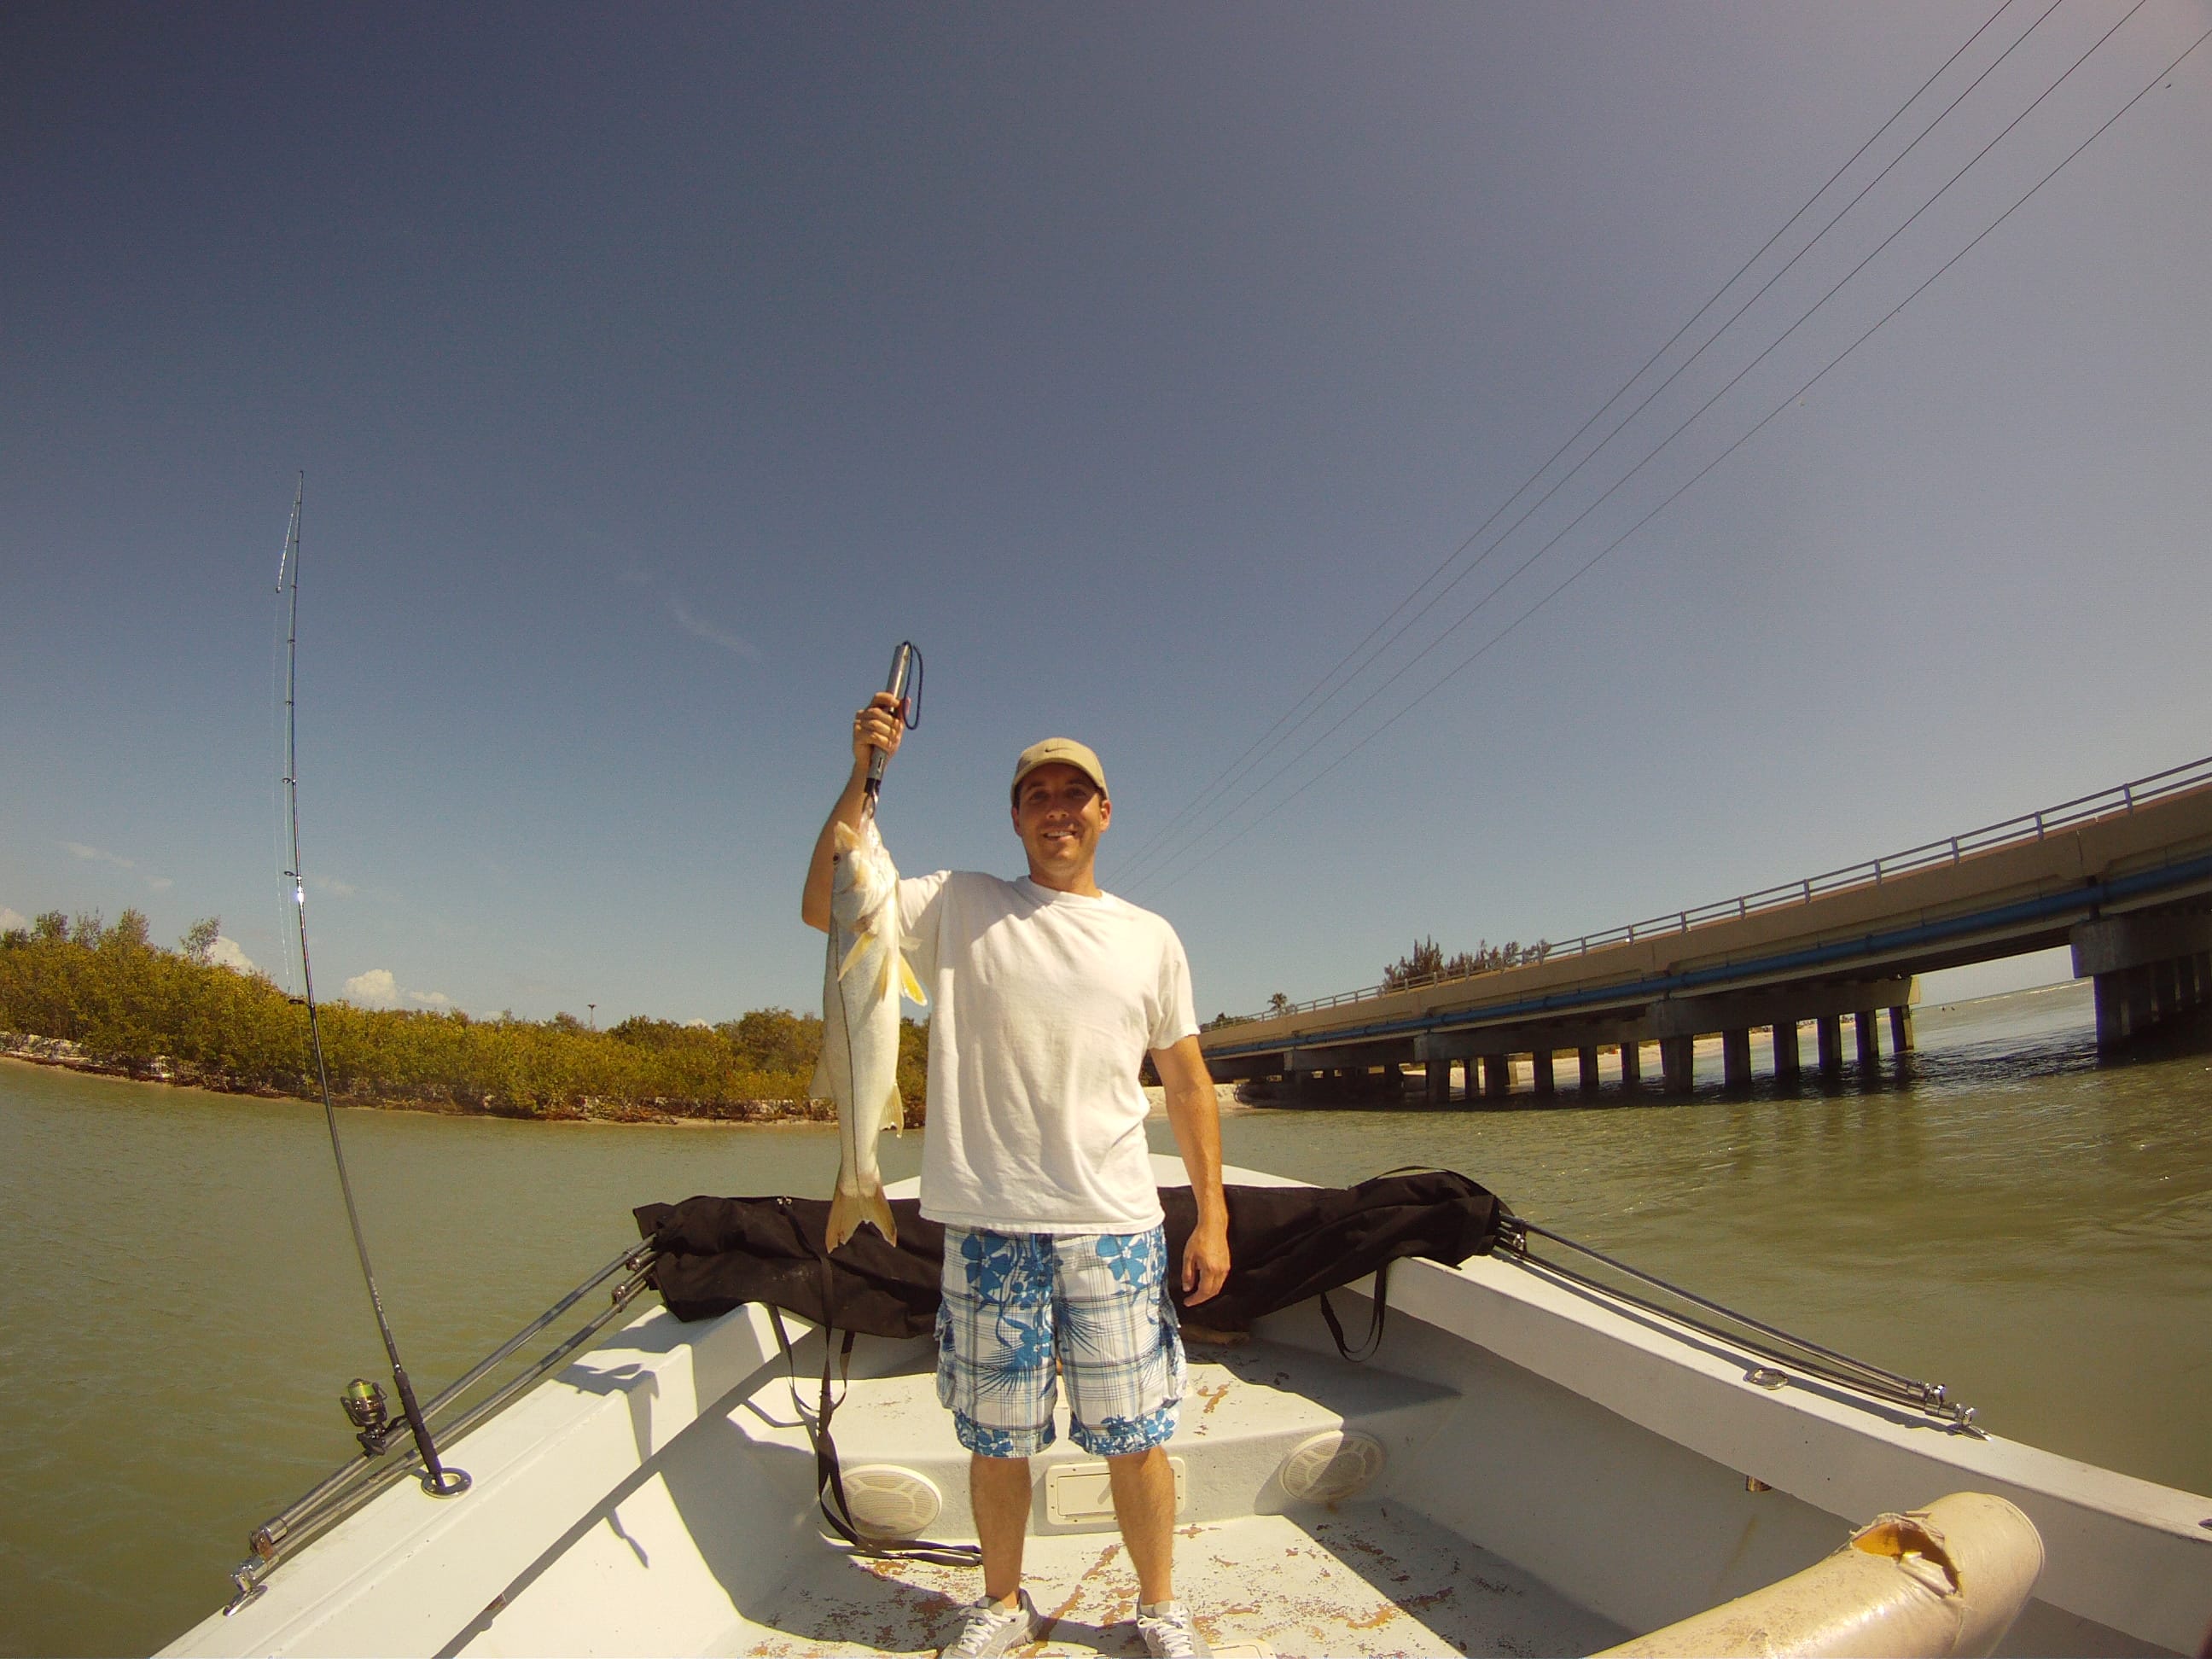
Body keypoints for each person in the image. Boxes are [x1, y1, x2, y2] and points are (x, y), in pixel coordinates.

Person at [803, 694, 1231, 1659]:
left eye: (1075, 795)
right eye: (1037, 794)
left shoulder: (1151, 937)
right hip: (988, 1227)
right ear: (1016, 818)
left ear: (1105, 812)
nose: (1058, 809)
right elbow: (829, 898)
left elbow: (1190, 1082)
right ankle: (1003, 1603)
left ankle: (1158, 1606)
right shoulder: (956, 901)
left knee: (1136, 1435)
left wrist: (1213, 1220)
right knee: (996, 1443)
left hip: (1113, 1225)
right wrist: (863, 769)